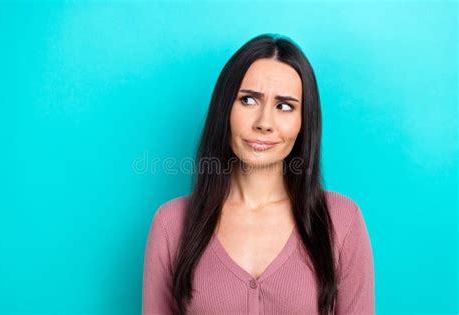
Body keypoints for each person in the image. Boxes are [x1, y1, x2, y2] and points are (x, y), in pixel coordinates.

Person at [142, 33, 375, 315]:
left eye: (285, 106)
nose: (264, 123)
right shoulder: (171, 223)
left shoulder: (342, 221)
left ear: (303, 122)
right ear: (224, 109)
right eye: (249, 100)